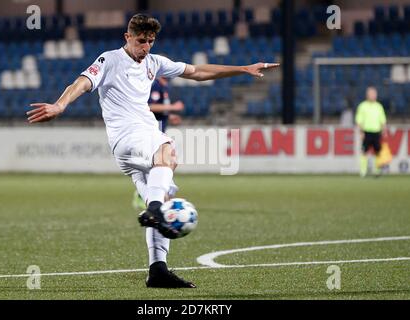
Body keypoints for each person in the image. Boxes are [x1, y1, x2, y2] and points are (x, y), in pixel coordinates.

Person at [26, 13, 279, 288]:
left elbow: (196, 72)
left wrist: (242, 69)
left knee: (165, 202)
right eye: (140, 41)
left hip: (135, 147)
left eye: (150, 41)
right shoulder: (109, 59)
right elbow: (81, 83)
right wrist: (61, 105)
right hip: (128, 137)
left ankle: (157, 269)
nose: (145, 47)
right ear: (127, 37)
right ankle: (155, 209)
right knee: (168, 151)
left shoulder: (154, 63)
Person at [132, 76, 184, 210]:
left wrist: (169, 116)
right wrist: (172, 107)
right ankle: (157, 199)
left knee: (162, 164)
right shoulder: (154, 85)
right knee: (161, 164)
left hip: (158, 133)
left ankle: (156, 197)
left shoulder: (164, 86)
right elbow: (150, 106)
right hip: (150, 134)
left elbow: (159, 110)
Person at [355, 86, 387, 177]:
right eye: (371, 94)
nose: (373, 95)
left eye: (374, 94)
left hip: (377, 132)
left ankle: (377, 170)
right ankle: (363, 171)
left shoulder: (379, 106)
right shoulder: (362, 106)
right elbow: (359, 120)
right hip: (366, 132)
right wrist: (361, 132)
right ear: (367, 95)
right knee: (364, 151)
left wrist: (384, 130)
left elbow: (383, 120)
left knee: (377, 151)